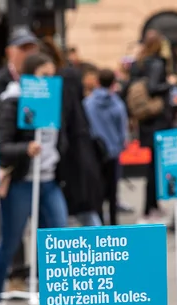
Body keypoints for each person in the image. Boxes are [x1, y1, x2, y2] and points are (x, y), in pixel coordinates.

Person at [0, 53, 70, 305]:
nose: (48, 81)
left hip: (48, 180)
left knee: (59, 237)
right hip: (21, 182)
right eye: (43, 75)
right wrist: (25, 149)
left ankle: (56, 296)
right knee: (11, 241)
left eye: (52, 75)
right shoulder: (12, 101)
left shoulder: (54, 103)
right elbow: (2, 146)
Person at [0, 27, 40, 291]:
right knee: (12, 230)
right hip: (11, 164)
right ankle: (13, 275)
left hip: (38, 167)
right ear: (10, 52)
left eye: (31, 48)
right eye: (22, 48)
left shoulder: (40, 82)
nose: (28, 53)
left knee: (47, 225)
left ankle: (37, 276)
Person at [40, 37, 105, 227]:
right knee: (84, 213)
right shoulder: (70, 77)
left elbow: (63, 121)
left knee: (81, 213)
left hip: (72, 156)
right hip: (80, 152)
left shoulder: (61, 82)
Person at [128, 30, 176, 223]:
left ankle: (151, 206)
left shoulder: (137, 63)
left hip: (144, 120)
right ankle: (149, 208)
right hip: (157, 120)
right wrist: (170, 84)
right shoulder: (157, 63)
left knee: (152, 165)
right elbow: (153, 87)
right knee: (155, 167)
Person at [84, 68, 128, 226]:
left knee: (98, 191)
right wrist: (122, 144)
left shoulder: (88, 103)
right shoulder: (117, 104)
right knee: (113, 190)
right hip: (113, 152)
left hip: (95, 153)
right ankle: (114, 223)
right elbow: (122, 130)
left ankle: (99, 223)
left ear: (97, 82)